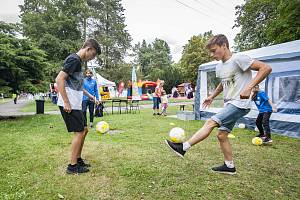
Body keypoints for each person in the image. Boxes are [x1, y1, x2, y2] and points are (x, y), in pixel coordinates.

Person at [165, 34, 272, 175]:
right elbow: (223, 84)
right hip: (230, 104)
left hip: (240, 103)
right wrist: (211, 96)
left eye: (214, 50)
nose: (211, 54)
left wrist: (249, 87)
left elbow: (265, 68)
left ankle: (183, 147)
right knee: (222, 135)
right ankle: (229, 166)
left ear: (224, 46)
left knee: (210, 122)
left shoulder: (239, 58)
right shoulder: (219, 67)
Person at [56, 38, 101, 174]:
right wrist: (66, 102)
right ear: (88, 49)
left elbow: (79, 86)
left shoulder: (78, 62)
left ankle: (78, 159)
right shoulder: (74, 59)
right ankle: (72, 166)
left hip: (75, 102)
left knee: (84, 130)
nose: (91, 58)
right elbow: (59, 79)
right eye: (92, 55)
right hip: (69, 103)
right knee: (80, 132)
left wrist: (92, 97)